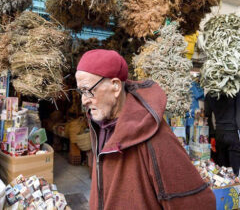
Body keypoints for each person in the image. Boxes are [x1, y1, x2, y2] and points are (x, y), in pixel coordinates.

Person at [75, 49, 215, 210]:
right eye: (81, 91)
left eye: (88, 90)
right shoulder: (100, 126)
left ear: (115, 87)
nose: (84, 100)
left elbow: (197, 202)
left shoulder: (155, 136)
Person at [205, 88, 240, 176]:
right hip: (235, 136)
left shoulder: (210, 93)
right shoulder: (239, 90)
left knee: (224, 174)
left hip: (219, 135)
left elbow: (207, 117)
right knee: (238, 176)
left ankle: (227, 189)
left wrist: (212, 137)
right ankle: (238, 189)